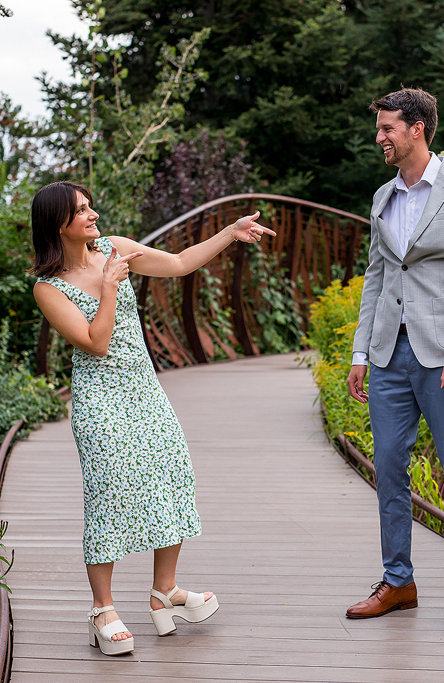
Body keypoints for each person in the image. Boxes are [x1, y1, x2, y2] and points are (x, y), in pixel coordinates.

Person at [30, 181, 274, 655]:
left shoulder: (116, 249)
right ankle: (103, 609)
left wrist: (230, 231)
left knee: (172, 476)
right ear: (57, 223)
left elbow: (180, 264)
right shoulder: (48, 288)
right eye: (81, 211)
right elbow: (96, 342)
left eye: (90, 205)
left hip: (145, 392)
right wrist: (106, 287)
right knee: (109, 496)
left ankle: (166, 592)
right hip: (100, 402)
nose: (92, 214)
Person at [344, 88, 444, 638]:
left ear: (417, 129)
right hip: (389, 354)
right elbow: (378, 278)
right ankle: (398, 582)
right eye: (380, 128)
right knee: (388, 467)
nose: (380, 137)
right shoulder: (383, 196)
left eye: (388, 128)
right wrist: (361, 352)